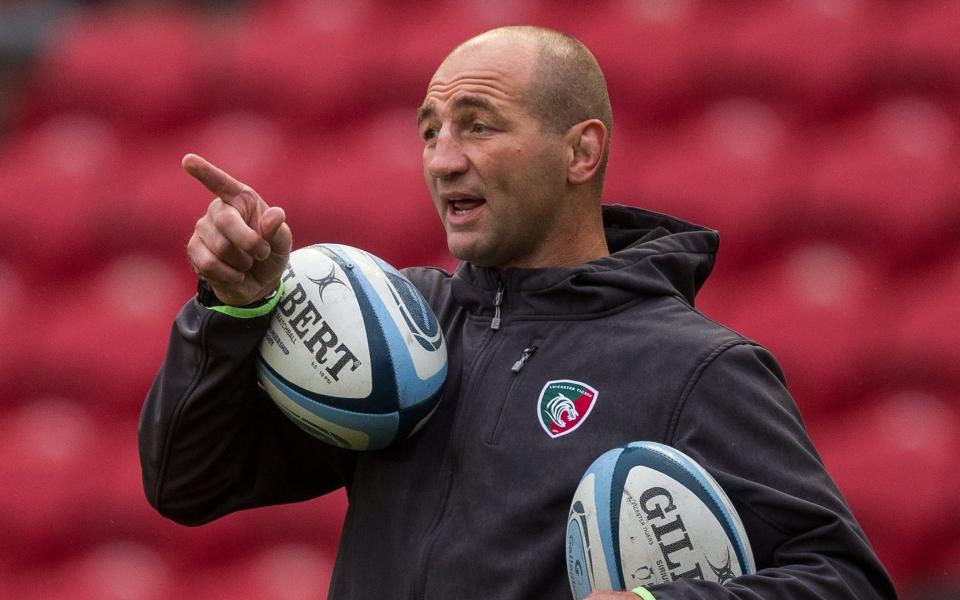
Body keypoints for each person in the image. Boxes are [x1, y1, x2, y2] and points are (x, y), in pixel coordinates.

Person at [139, 25, 897, 599]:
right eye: (430, 129)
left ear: (580, 153)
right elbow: (189, 483)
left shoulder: (693, 367)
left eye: (478, 124)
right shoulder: (401, 333)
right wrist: (235, 310)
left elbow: (842, 579)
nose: (441, 158)